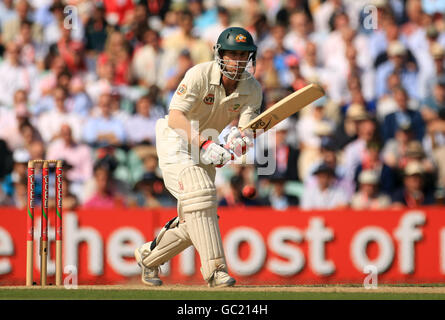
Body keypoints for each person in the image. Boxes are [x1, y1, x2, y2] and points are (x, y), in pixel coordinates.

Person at [134, 27, 261, 288]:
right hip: (176, 139)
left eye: (243, 55)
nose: (238, 62)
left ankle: (149, 256)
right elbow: (175, 117)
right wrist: (204, 142)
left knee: (197, 217)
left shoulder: (252, 88)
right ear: (220, 55)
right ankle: (216, 273)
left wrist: (239, 143)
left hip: (207, 145)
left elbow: (248, 131)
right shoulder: (199, 75)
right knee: (201, 194)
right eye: (232, 55)